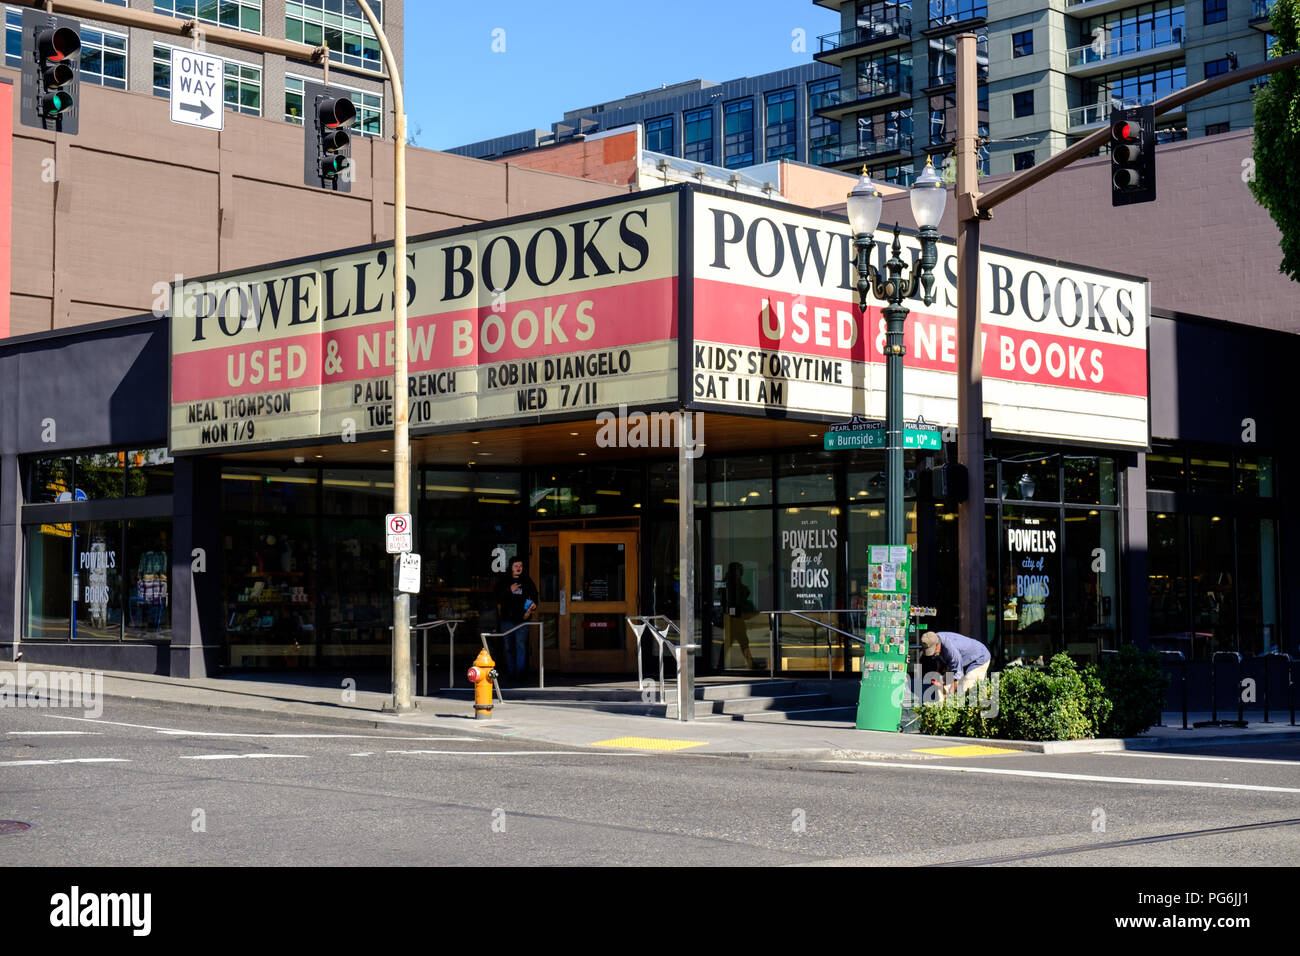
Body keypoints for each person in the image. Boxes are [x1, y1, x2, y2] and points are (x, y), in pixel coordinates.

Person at [494, 556, 538, 679]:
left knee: (521, 646)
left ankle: (520, 674)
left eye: (521, 566)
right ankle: (511, 673)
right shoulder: (504, 581)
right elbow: (497, 597)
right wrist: (509, 590)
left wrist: (534, 605)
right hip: (507, 619)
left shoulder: (527, 581)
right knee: (509, 647)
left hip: (522, 620)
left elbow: (535, 596)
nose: (519, 568)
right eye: (516, 566)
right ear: (511, 567)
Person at [920, 631, 991, 700]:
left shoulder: (951, 650)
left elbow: (957, 674)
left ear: (938, 645)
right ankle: (941, 707)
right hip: (960, 660)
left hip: (979, 658)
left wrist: (951, 695)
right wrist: (937, 673)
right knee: (942, 686)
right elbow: (939, 660)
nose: (932, 654)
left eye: (933, 651)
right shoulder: (934, 638)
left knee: (965, 687)